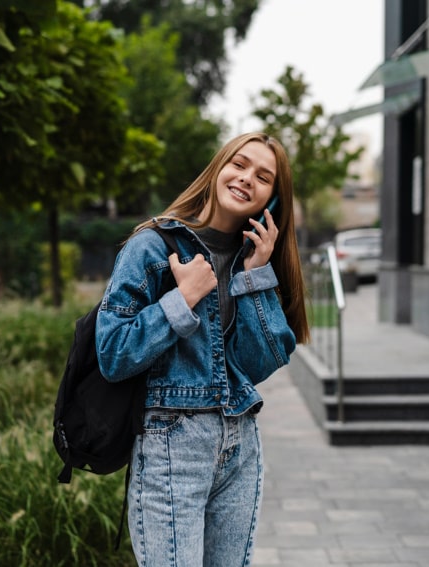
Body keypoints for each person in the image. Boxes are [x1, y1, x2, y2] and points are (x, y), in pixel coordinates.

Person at [95, 132, 309, 566]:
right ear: (218, 168)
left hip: (240, 446)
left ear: (273, 200)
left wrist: (254, 278)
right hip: (172, 446)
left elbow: (257, 364)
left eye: (263, 177)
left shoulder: (254, 260)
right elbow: (113, 353)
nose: (247, 178)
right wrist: (182, 299)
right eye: (239, 164)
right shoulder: (153, 245)